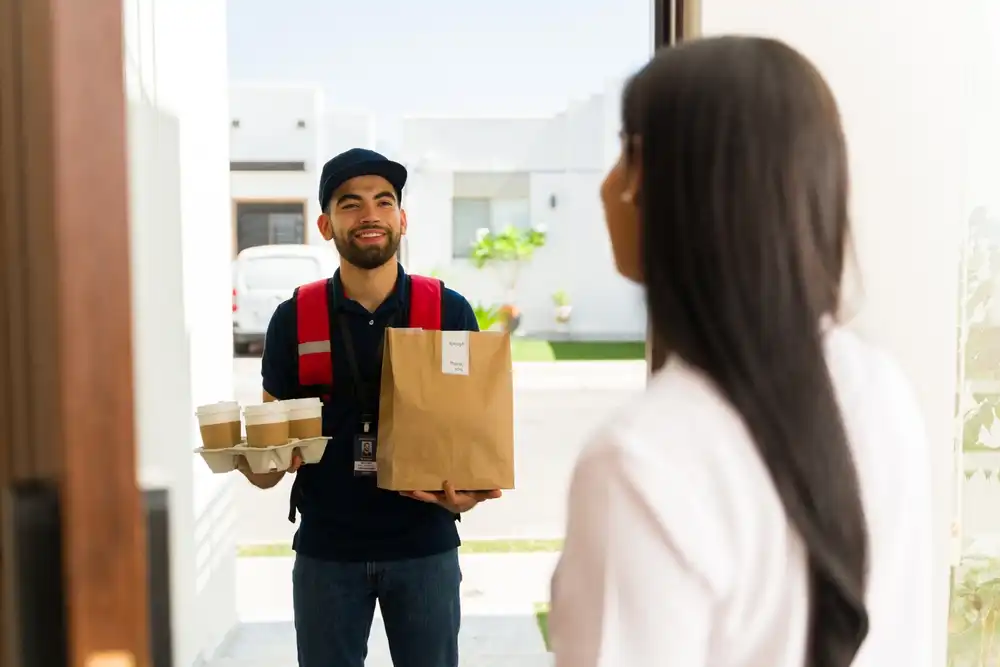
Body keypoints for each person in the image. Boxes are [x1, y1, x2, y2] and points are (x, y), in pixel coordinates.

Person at [548, 37, 932, 667]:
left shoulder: (642, 460)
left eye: (626, 150)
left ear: (663, 182)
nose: (607, 184)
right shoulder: (881, 388)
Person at [238, 147, 502, 667]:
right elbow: (270, 457)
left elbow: (471, 437)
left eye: (384, 201)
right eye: (351, 203)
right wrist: (259, 464)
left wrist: (466, 496)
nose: (370, 215)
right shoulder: (293, 319)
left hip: (424, 547)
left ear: (402, 219)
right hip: (327, 552)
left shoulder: (448, 310)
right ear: (325, 223)